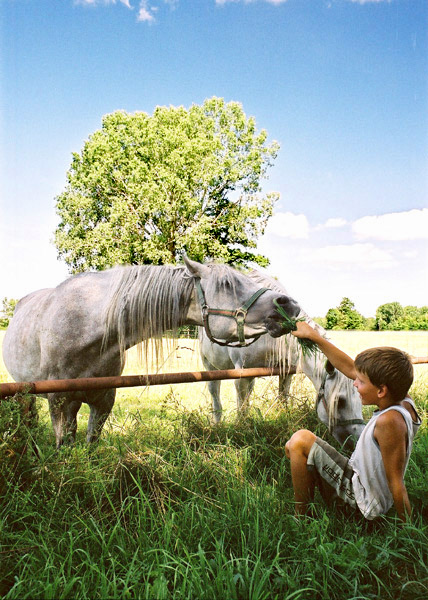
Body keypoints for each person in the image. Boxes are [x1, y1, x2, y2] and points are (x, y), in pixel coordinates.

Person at [285, 321, 421, 522]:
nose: (354, 383)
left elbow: (396, 482)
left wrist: (409, 534)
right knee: (292, 448)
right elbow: (351, 368)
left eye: (361, 382)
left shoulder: (389, 421)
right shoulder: (402, 400)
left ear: (381, 390)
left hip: (362, 504)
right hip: (359, 484)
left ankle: (301, 519)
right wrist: (314, 336)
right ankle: (311, 503)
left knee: (299, 441)